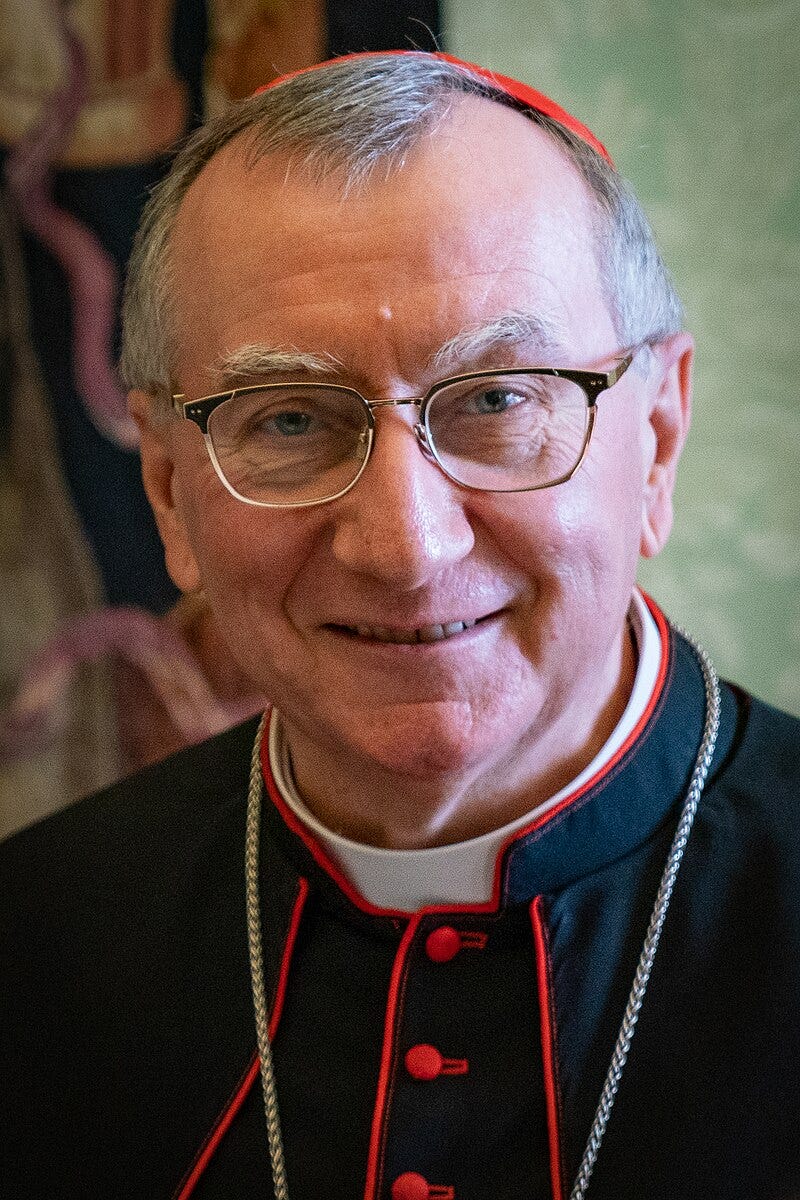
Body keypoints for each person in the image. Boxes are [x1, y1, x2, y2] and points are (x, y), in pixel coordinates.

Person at [2, 51, 799, 1200]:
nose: (404, 548)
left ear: (657, 439)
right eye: (287, 420)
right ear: (171, 493)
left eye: (494, 399)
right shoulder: (37, 943)